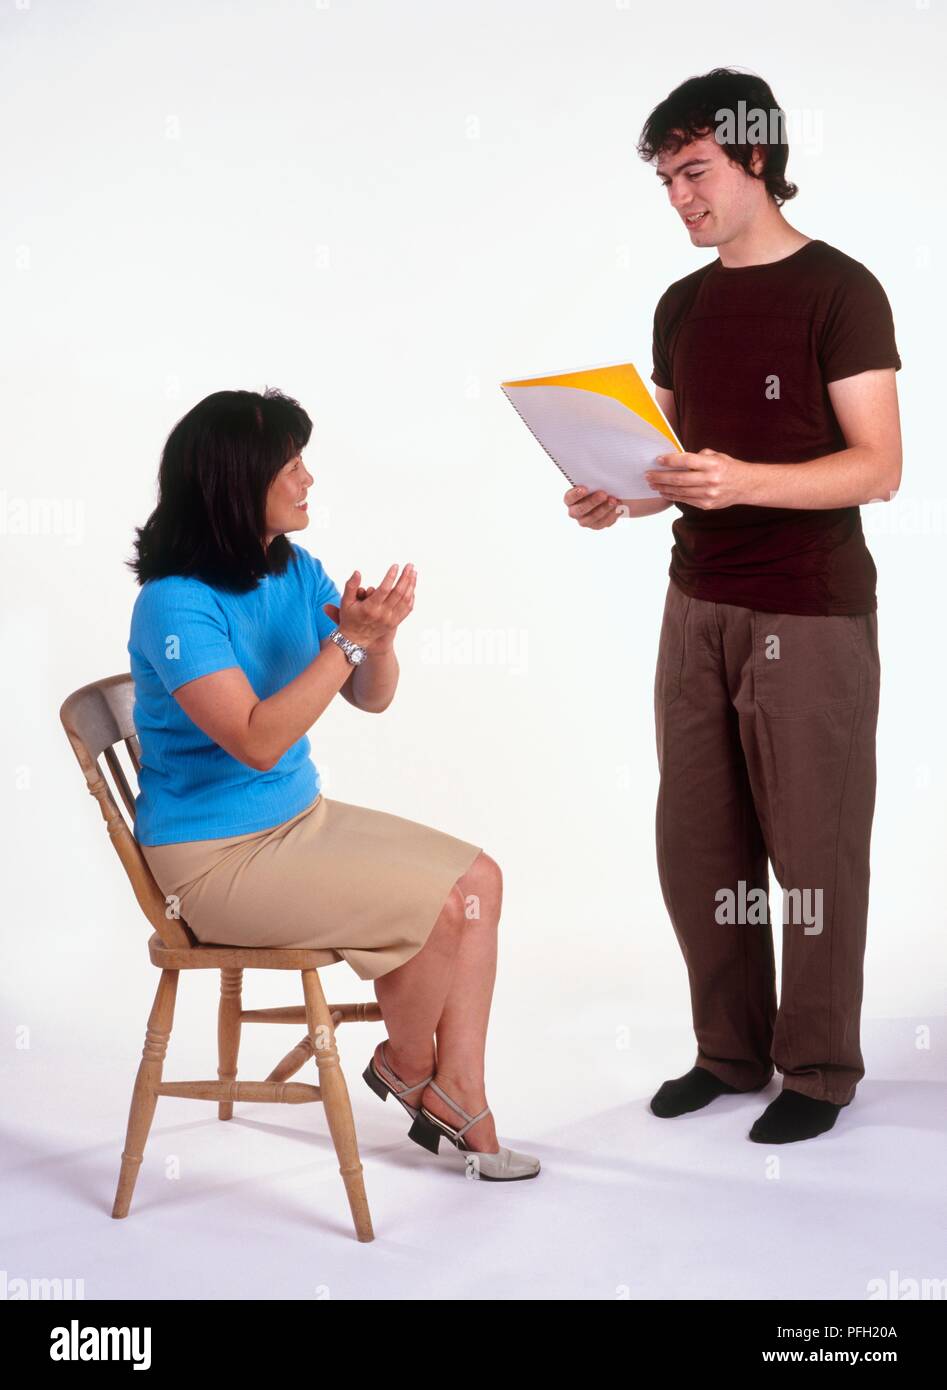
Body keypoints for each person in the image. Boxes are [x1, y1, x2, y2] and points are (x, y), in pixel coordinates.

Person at [563, 68, 902, 1144]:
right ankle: (727, 1050)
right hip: (695, 601)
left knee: (812, 850)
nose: (679, 198)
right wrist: (615, 494)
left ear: (755, 156)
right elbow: (667, 461)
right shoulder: (683, 304)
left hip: (807, 609)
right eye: (665, 180)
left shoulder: (841, 291)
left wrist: (741, 480)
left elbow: (878, 466)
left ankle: (818, 1066)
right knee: (698, 844)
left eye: (694, 171)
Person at [126, 387, 539, 1182]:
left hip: (297, 821)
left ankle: (449, 1086)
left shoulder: (292, 568)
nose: (307, 478)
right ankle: (412, 1070)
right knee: (437, 908)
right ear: (233, 482)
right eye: (289, 465)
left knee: (479, 880)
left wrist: (375, 642)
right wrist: (344, 643)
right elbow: (257, 742)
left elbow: (369, 698)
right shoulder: (174, 604)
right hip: (213, 861)